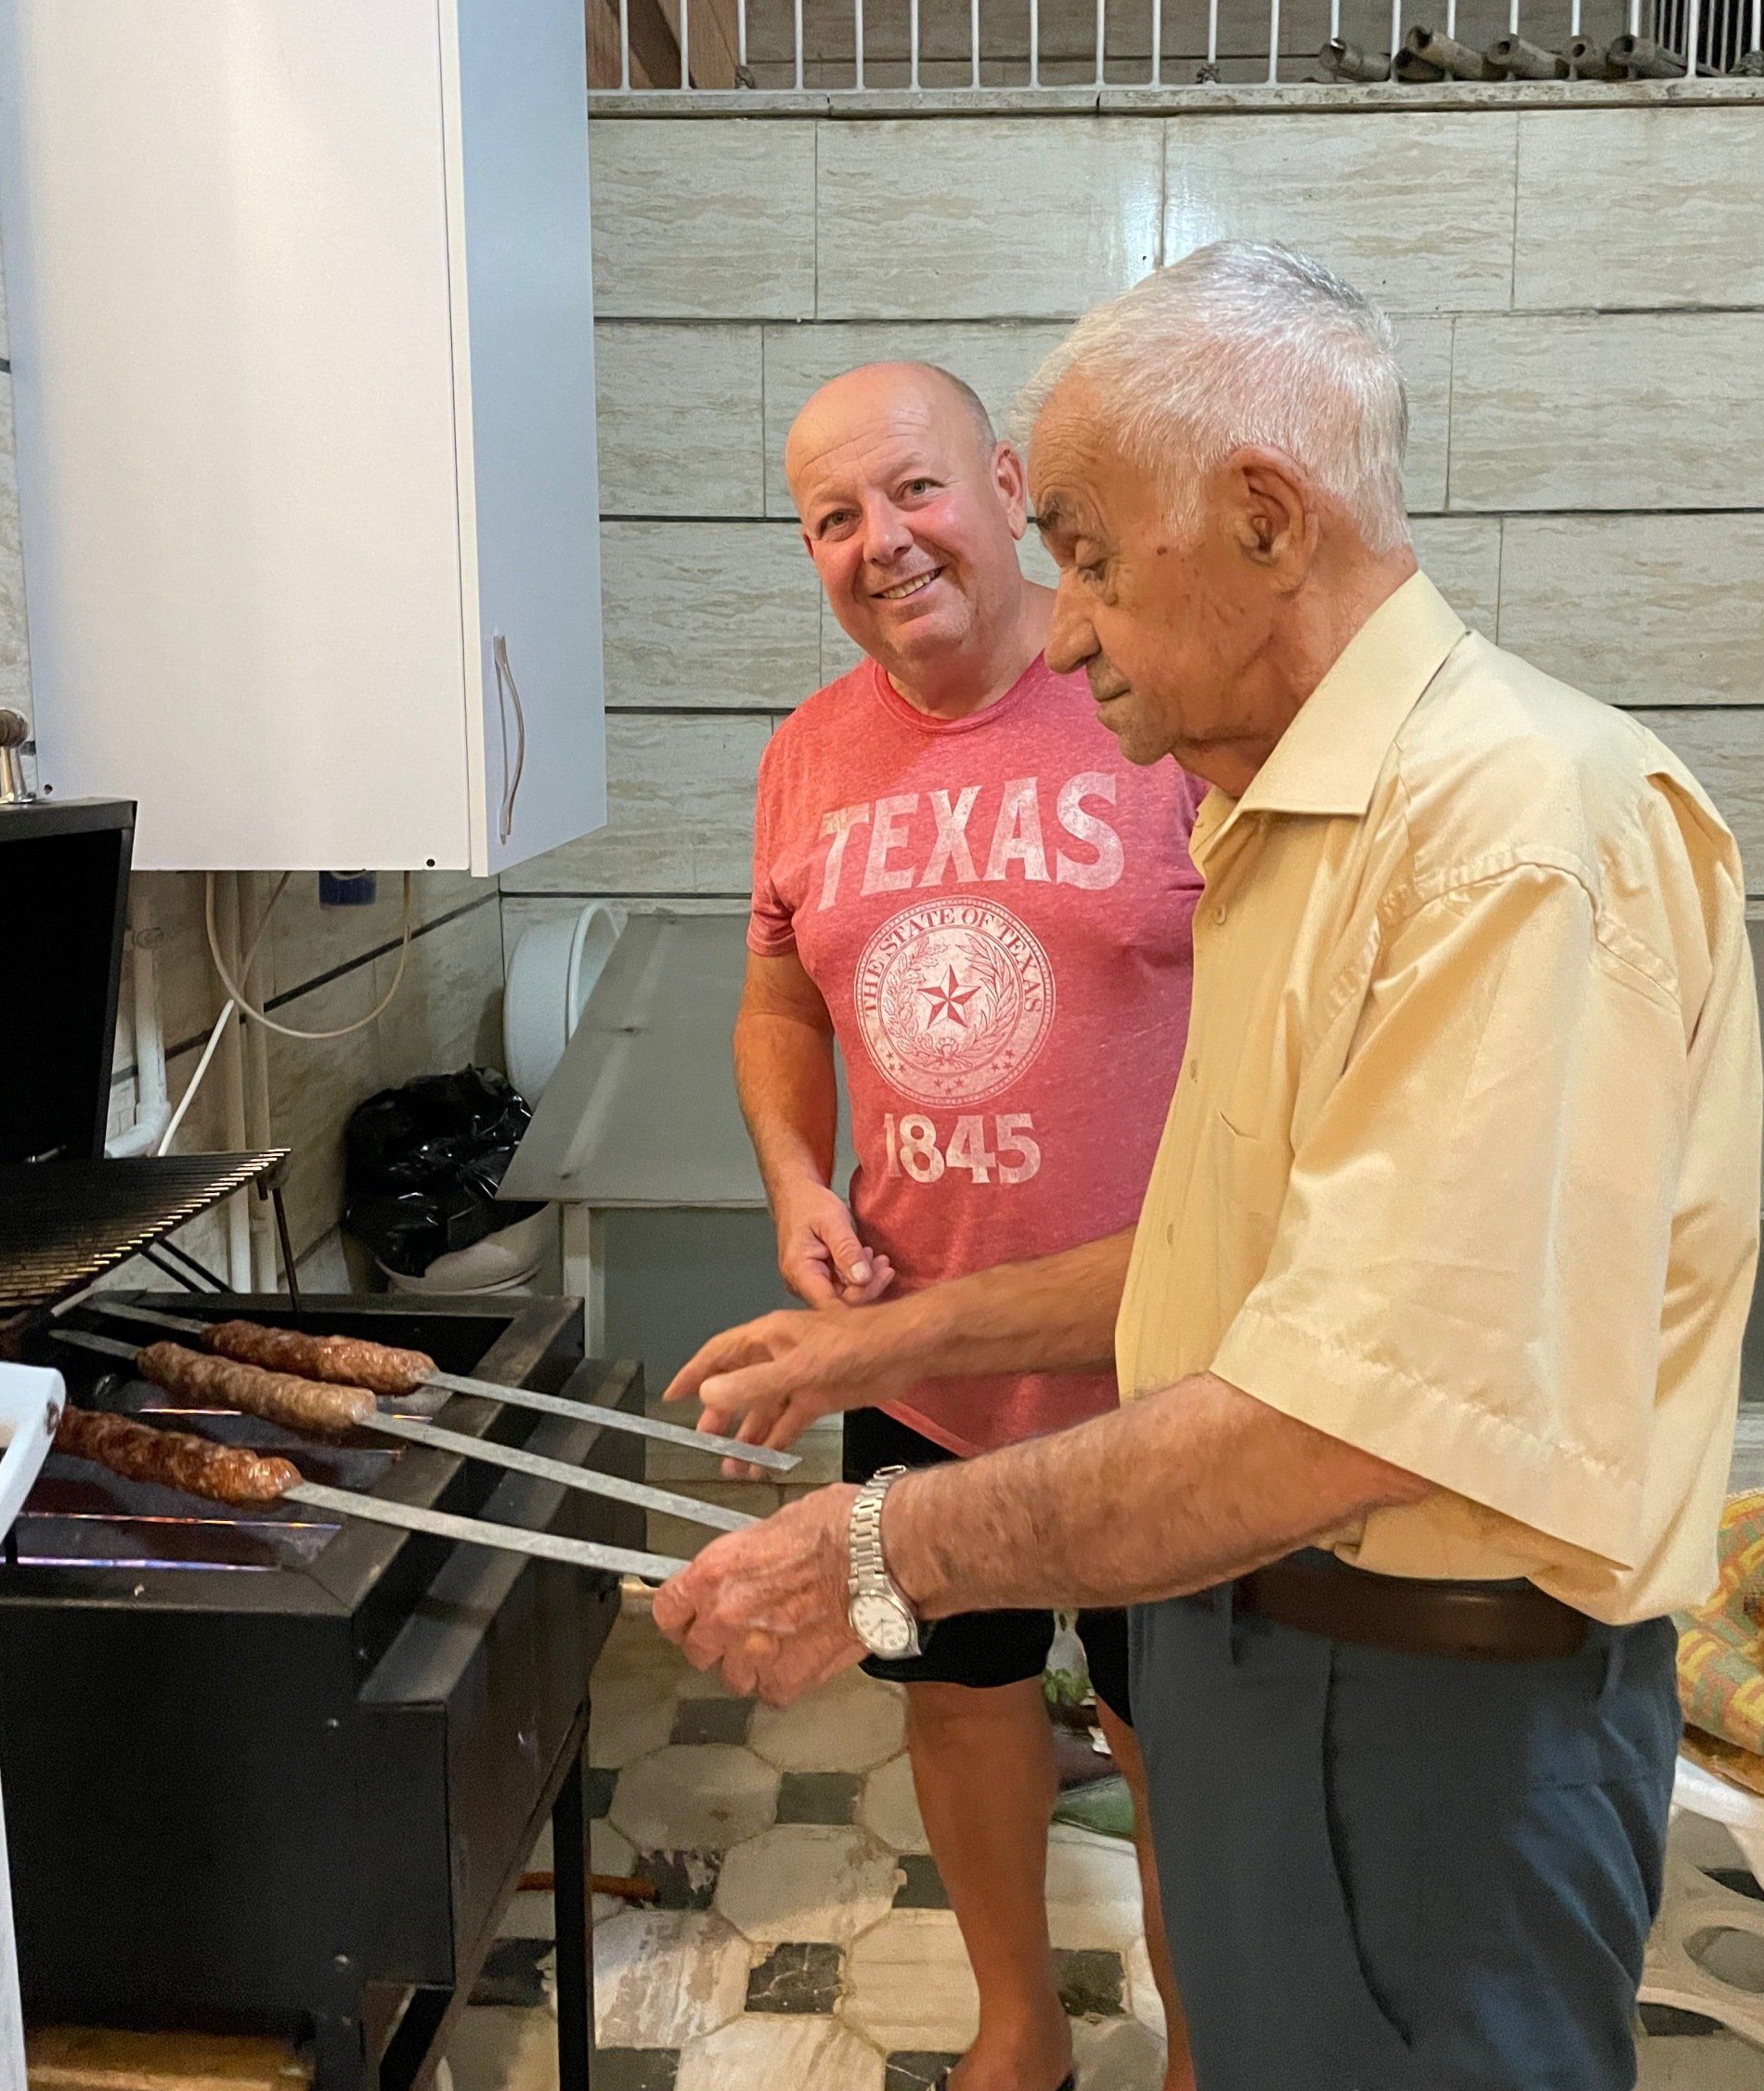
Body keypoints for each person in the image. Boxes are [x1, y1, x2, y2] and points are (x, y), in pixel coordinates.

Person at [655, 244, 1764, 2091]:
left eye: (1089, 556)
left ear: (1265, 516)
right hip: (1266, 1636)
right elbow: (1222, 1261)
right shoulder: (1295, 822)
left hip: (1427, 1704)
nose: (1068, 630)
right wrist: (874, 1348)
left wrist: (878, 1547)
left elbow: (1350, 1415)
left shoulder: (1512, 839)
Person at [733, 359, 1202, 2091]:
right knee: (956, 1693)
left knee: (1176, 1737)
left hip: (1163, 1357)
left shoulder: (1153, 706)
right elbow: (777, 1002)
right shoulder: (807, 752)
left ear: (1007, 487)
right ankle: (1021, 2027)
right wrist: (798, 1180)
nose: (882, 541)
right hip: (916, 1356)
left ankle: (1201, 2046)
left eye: (913, 490)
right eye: (833, 518)